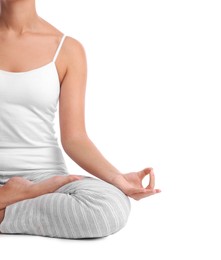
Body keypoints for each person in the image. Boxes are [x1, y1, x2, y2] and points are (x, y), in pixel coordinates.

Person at [0, 0, 161, 239]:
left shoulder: (67, 49)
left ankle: (12, 199)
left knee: (109, 206)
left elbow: (75, 138)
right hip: (41, 193)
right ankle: (8, 197)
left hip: (46, 179)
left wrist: (118, 178)